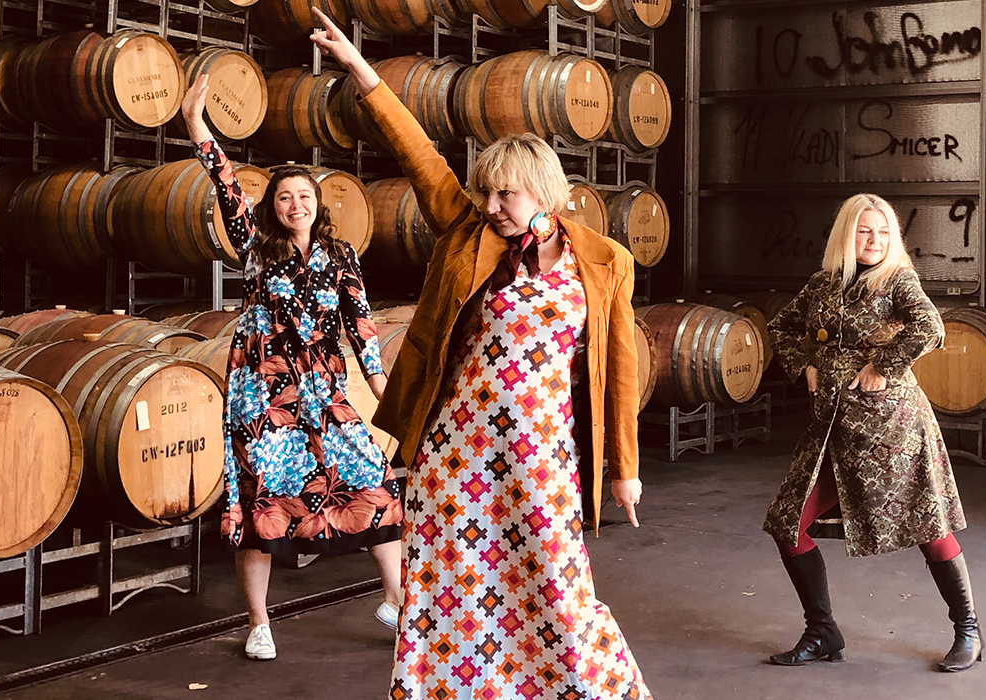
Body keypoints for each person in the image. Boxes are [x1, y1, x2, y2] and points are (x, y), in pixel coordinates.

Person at [309, 8, 651, 698]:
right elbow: (418, 155)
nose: (491, 204)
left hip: (542, 452)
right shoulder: (472, 234)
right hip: (457, 452)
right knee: (450, 591)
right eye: (485, 191)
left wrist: (625, 470)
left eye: (505, 192)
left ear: (543, 191)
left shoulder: (604, 261)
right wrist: (362, 73)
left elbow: (618, 371)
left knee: (557, 582)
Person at [181, 75, 404, 661]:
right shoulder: (255, 246)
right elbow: (225, 182)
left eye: (303, 196)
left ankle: (396, 599)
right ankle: (259, 623)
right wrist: (196, 124)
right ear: (272, 207)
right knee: (263, 500)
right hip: (263, 396)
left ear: (317, 204)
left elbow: (361, 324)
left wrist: (383, 389)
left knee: (371, 482)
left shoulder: (340, 255)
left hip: (325, 393)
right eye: (284, 197)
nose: (295, 205)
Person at [763, 193, 982, 672]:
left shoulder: (898, 280)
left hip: (892, 428)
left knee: (929, 525)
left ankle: (968, 629)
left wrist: (884, 363)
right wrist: (804, 366)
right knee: (788, 523)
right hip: (830, 429)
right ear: (847, 233)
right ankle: (822, 631)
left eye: (883, 232)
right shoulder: (823, 284)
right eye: (865, 231)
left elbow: (929, 326)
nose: (874, 240)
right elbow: (780, 327)